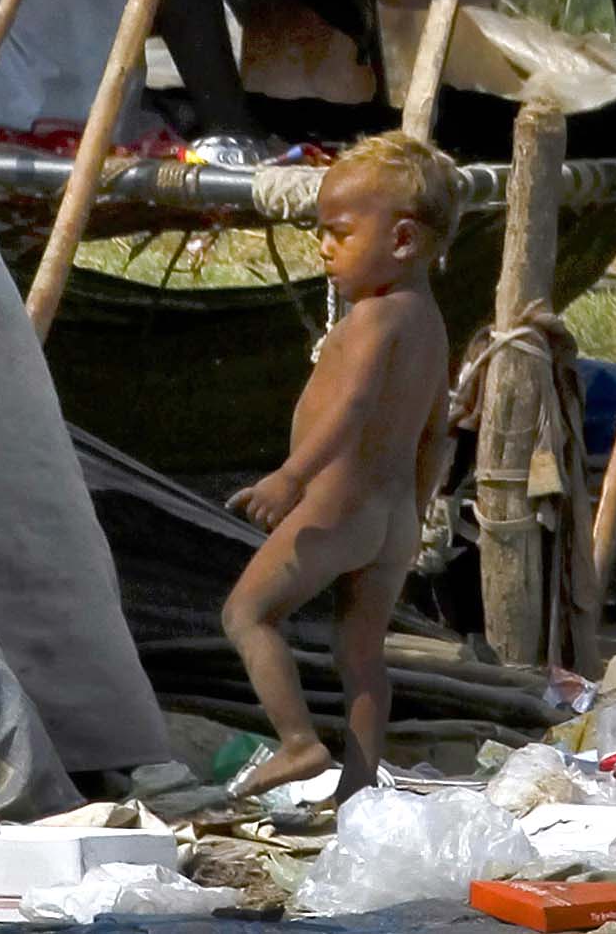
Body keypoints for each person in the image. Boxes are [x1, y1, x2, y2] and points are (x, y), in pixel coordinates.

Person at [220, 129, 458, 798]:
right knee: (359, 655)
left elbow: (351, 408)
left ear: (403, 239)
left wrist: (291, 477)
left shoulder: (373, 320)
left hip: (335, 504)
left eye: (339, 232)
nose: (324, 246)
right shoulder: (431, 321)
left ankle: (298, 742)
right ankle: (357, 785)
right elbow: (435, 430)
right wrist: (413, 510)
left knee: (246, 614)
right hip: (390, 516)